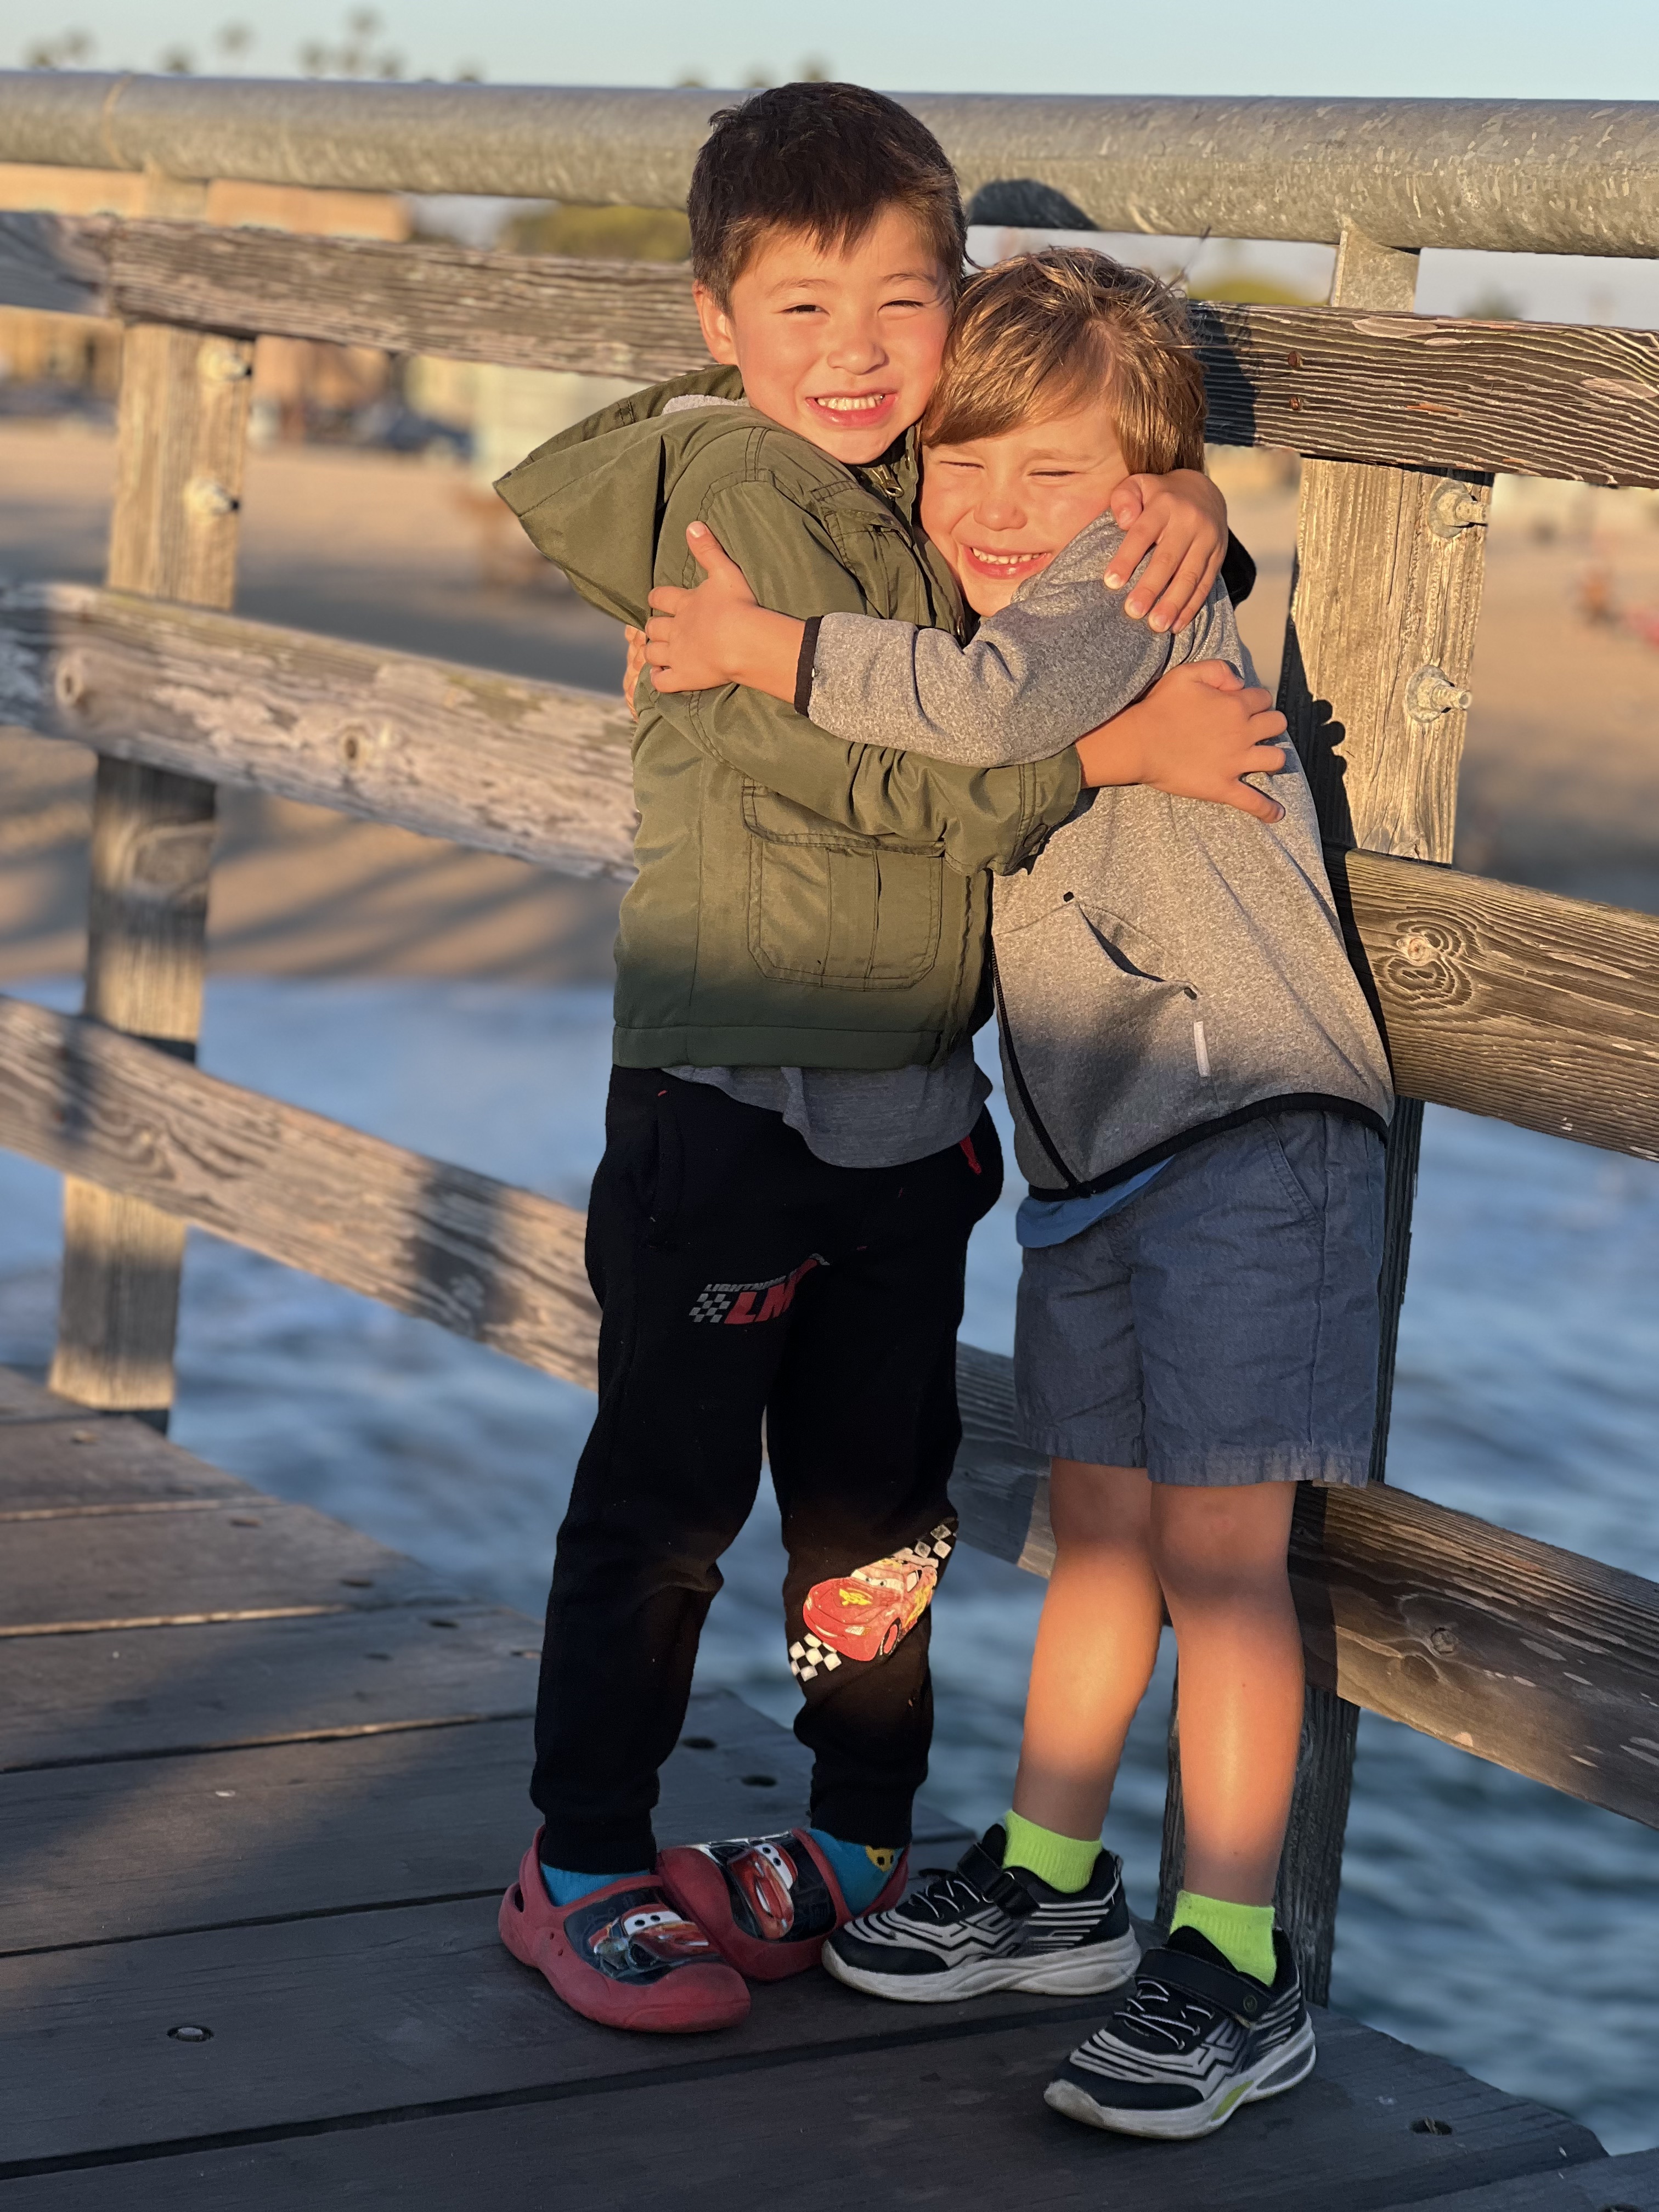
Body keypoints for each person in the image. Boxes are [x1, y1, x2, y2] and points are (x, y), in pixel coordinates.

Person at [489, 85, 1280, 2035]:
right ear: (713, 317)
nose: (856, 357)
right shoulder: (736, 502)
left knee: (878, 1507)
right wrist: (1104, 763)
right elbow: (847, 782)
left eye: (900, 309)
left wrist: (1189, 502)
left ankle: (860, 1836)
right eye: (802, 312)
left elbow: (1065, 522)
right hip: (738, 1093)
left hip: (911, 1114)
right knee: (672, 1497)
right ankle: (581, 1852)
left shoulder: (915, 477)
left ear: (952, 316)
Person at [641, 245, 1393, 2134]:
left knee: (1220, 1567)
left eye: (1049, 474)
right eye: (963, 464)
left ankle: (1236, 1957)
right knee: (1102, 1548)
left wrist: (763, 652)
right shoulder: (1051, 568)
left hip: (1250, 1144)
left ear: (1133, 498)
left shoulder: (1113, 594)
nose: (992, 509)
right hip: (1097, 1167)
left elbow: (978, 713)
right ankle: (1057, 1878)